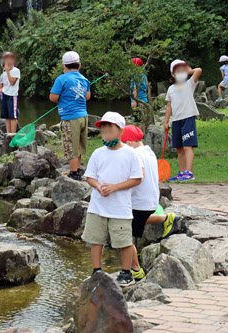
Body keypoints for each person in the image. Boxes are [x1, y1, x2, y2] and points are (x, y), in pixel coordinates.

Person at [82, 112, 143, 287]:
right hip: (97, 205)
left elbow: (137, 178)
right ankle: (96, 271)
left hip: (120, 206)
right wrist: (98, 186)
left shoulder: (130, 154)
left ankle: (126, 272)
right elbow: (90, 176)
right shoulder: (98, 153)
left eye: (110, 127)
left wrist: (115, 187)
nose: (106, 131)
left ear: (120, 130)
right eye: (103, 128)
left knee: (124, 241)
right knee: (96, 239)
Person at [121, 125, 177, 281]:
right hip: (151, 200)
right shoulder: (148, 150)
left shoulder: (134, 154)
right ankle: (167, 218)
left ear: (130, 143)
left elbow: (139, 175)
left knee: (124, 234)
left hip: (140, 203)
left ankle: (136, 270)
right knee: (137, 222)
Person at [49, 51, 91, 181]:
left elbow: (53, 97)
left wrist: (63, 97)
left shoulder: (62, 79)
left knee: (70, 146)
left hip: (70, 117)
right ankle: (77, 169)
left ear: (63, 66)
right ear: (79, 66)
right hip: (84, 116)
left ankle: (73, 173)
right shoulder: (84, 79)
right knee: (78, 145)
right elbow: (87, 97)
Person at [164, 59, 202, 182]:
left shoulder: (189, 84)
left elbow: (199, 70)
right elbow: (169, 106)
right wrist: (166, 121)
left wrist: (189, 70)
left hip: (188, 119)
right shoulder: (170, 89)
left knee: (187, 146)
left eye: (183, 71)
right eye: (178, 71)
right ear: (172, 74)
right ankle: (181, 173)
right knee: (179, 148)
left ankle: (189, 172)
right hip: (176, 121)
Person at [0, 52, 21, 134]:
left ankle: (13, 134)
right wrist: (1, 90)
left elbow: (12, 83)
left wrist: (7, 71)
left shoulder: (16, 71)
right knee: (6, 116)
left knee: (13, 116)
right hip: (5, 95)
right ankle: (8, 133)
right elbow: (6, 85)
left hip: (12, 95)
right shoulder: (3, 73)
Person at [130, 58, 149, 124]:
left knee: (137, 121)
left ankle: (139, 134)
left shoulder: (137, 76)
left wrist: (134, 101)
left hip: (138, 101)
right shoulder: (143, 75)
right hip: (144, 100)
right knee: (142, 120)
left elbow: (136, 88)